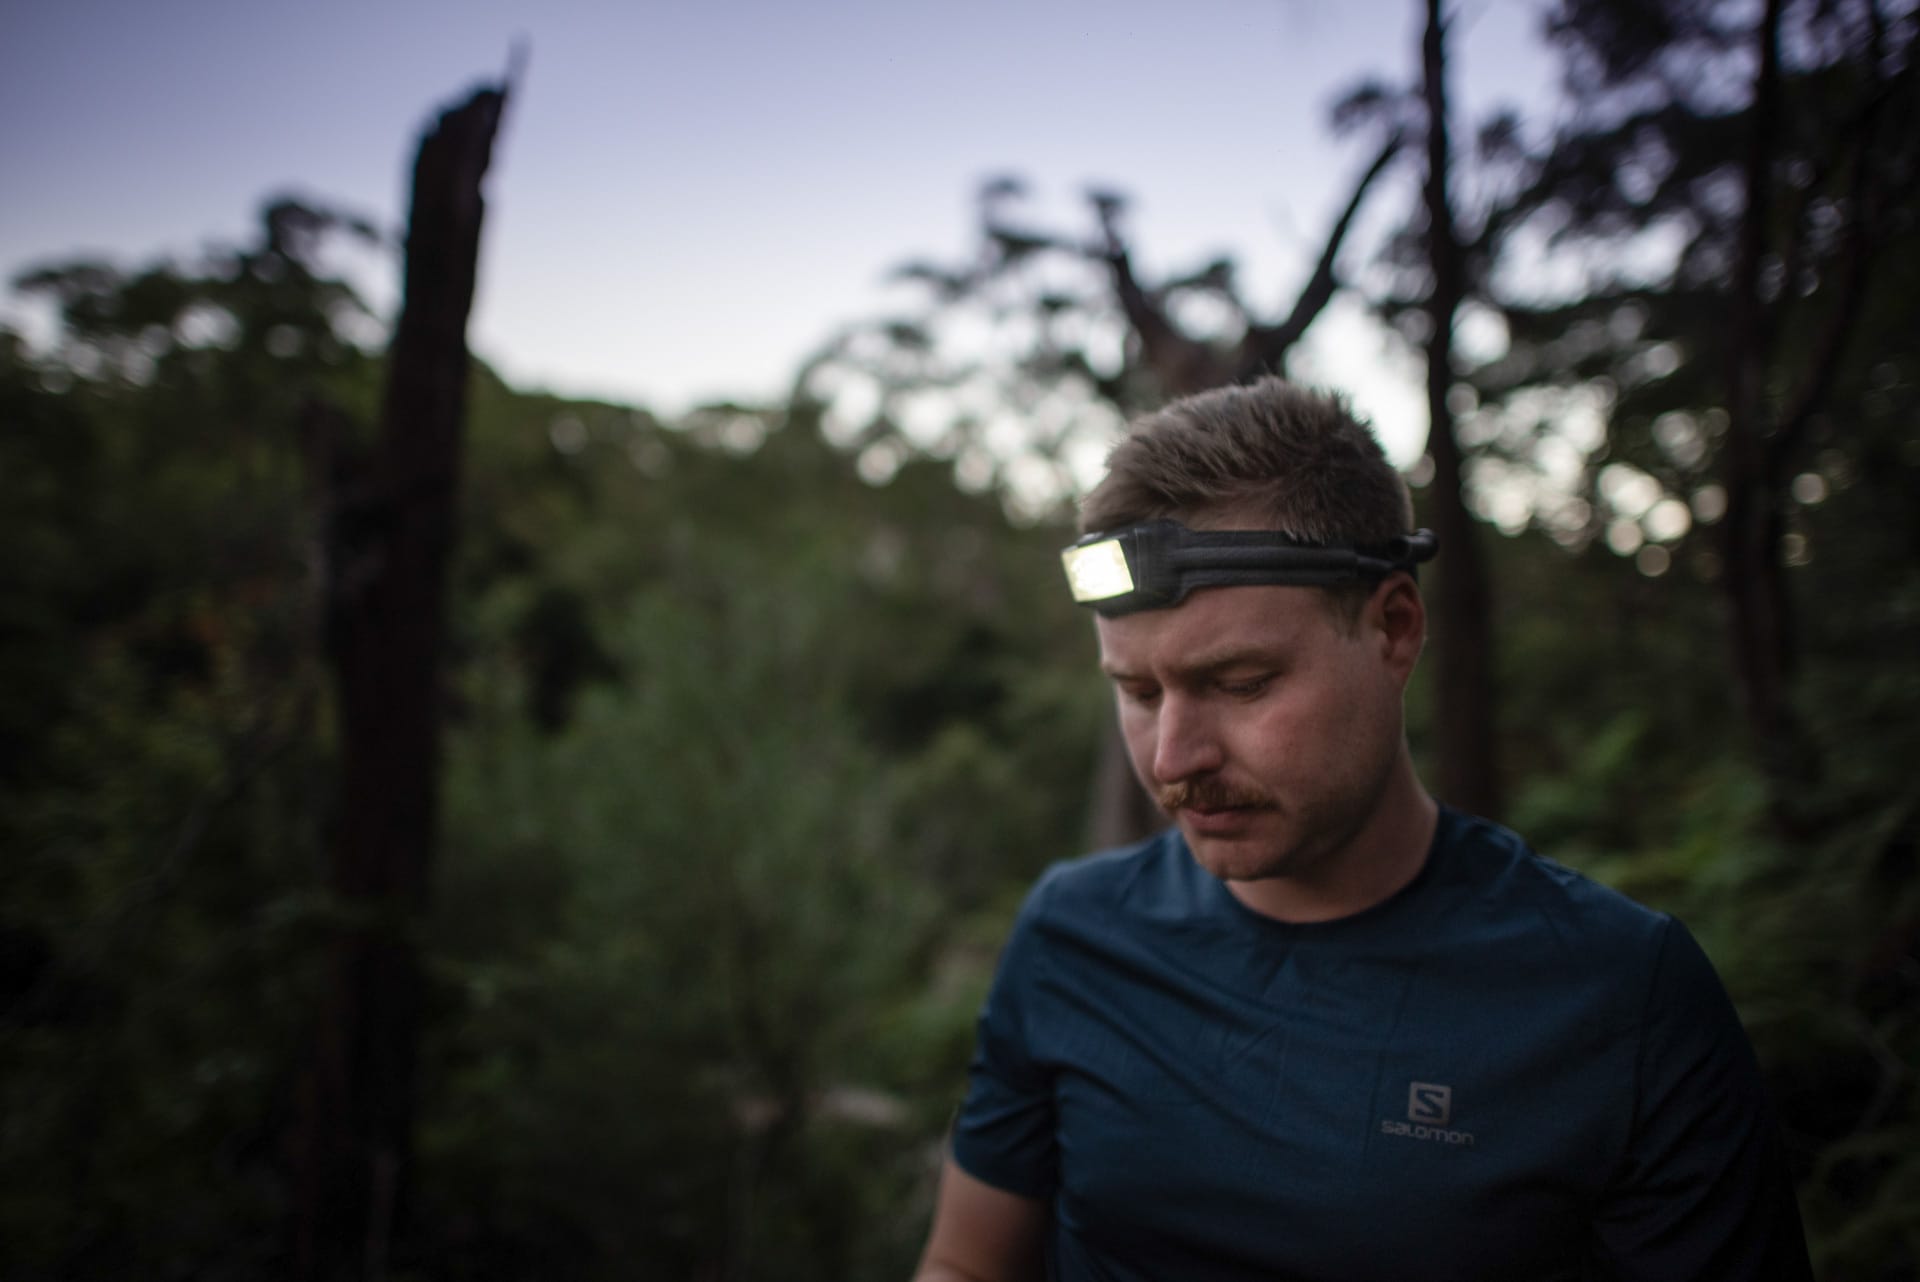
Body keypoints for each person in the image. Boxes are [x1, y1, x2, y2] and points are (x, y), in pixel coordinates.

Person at [912, 378, 1812, 1281]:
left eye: (1240, 682)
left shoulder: (1621, 997)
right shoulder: (1072, 936)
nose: (1173, 758)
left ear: (1393, 629)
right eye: (1139, 693)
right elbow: (966, 1266)